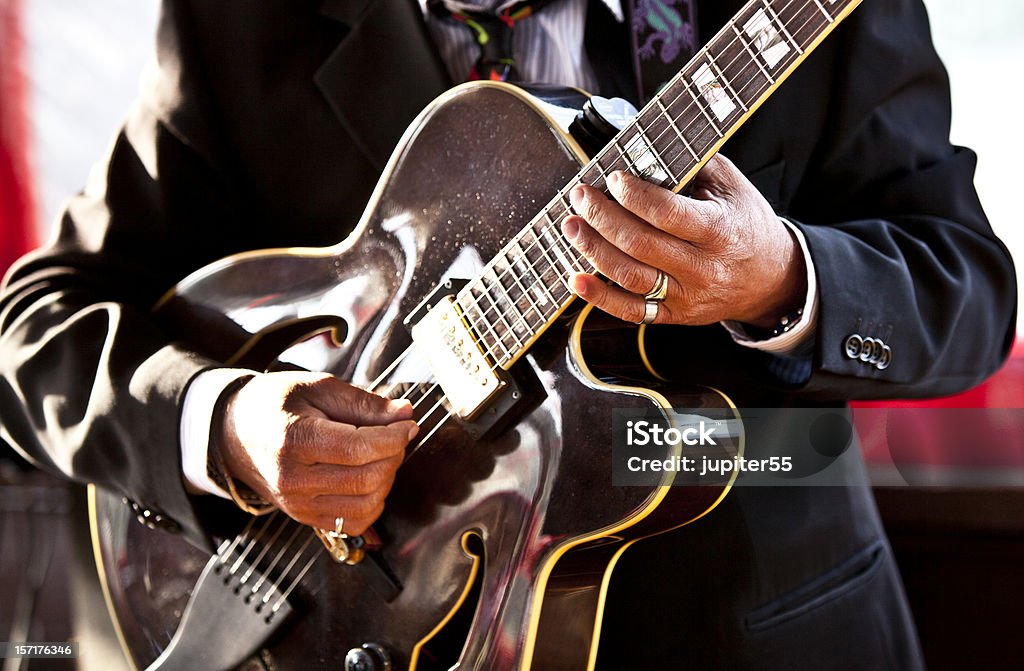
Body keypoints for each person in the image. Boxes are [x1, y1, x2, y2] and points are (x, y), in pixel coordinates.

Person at [0, 0, 1016, 668]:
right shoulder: (244, 21)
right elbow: (34, 323)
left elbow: (963, 290)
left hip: (762, 630)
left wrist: (781, 277)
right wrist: (227, 423)